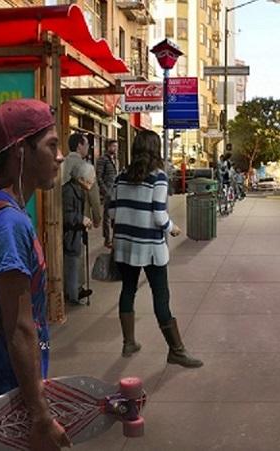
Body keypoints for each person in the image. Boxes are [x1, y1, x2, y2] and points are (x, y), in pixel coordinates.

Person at [0, 99, 70, 449]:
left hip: (5, 394)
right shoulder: (9, 225)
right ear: (20, 152)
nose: (60, 156)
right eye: (52, 145)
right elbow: (19, 328)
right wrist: (40, 416)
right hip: (8, 403)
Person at [109, 130, 202, 368]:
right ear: (156, 150)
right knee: (161, 296)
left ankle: (128, 342)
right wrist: (173, 228)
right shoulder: (158, 178)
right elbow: (160, 216)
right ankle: (176, 351)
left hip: (125, 245)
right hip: (150, 247)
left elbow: (111, 211)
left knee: (127, 291)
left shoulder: (121, 177)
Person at [62, 163, 95, 305]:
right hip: (70, 235)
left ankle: (76, 291)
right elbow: (66, 215)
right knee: (72, 265)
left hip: (75, 234)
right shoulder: (69, 191)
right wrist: (81, 219)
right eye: (90, 180)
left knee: (75, 263)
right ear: (81, 179)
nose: (92, 182)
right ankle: (73, 295)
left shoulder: (78, 190)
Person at [96, 140, 118, 247]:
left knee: (114, 215)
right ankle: (107, 239)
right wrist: (105, 191)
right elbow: (98, 177)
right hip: (108, 191)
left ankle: (114, 238)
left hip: (115, 191)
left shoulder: (115, 160)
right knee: (107, 216)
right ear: (108, 147)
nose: (115, 148)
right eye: (113, 146)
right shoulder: (103, 159)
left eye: (116, 146)